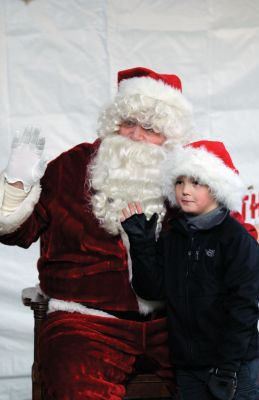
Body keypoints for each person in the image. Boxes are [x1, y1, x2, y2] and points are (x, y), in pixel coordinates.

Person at [0, 67, 196, 400]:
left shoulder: (186, 177)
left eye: (149, 128)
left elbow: (223, 232)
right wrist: (17, 183)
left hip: (170, 323)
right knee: (76, 386)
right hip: (86, 323)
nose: (135, 135)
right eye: (128, 123)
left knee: (227, 370)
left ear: (170, 138)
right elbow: (17, 232)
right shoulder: (72, 167)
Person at [121, 140, 259, 400]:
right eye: (179, 181)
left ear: (217, 187)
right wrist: (142, 245)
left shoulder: (236, 240)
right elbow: (152, 290)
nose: (184, 190)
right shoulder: (173, 236)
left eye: (196, 182)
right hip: (189, 366)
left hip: (234, 366)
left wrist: (228, 368)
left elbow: (244, 309)